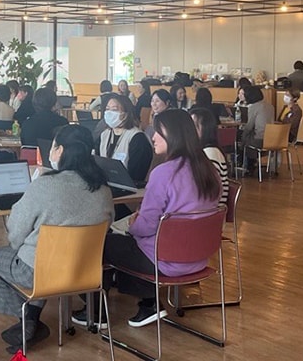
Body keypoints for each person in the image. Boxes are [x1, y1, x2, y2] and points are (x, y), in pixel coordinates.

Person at [0, 124, 114, 353]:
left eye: (53, 147)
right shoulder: (104, 189)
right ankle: (31, 319)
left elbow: (16, 232)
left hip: (39, 271)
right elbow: (108, 225)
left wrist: (21, 248)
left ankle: (27, 318)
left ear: (60, 150)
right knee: (37, 263)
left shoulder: (44, 185)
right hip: (85, 270)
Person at [91, 109, 221, 328]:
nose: (153, 137)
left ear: (174, 135)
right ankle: (147, 302)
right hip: (198, 258)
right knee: (127, 243)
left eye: (159, 132)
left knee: (103, 243)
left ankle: (97, 313)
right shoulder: (209, 171)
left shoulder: (164, 173)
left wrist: (132, 225)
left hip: (164, 260)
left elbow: (146, 226)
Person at [98, 94, 152, 187]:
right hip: (106, 184)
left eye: (114, 110)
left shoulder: (138, 138)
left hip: (129, 187)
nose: (109, 113)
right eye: (107, 109)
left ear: (126, 114)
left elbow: (137, 175)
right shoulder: (104, 134)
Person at [189, 107, 229, 206]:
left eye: (194, 126)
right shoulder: (203, 151)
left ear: (206, 129)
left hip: (209, 210)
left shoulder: (210, 153)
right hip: (203, 207)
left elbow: (206, 190)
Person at [241, 86, 274, 175]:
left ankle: (247, 166)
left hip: (259, 140)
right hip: (271, 140)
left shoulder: (254, 107)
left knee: (243, 138)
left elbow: (249, 126)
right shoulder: (270, 106)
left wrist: (242, 136)